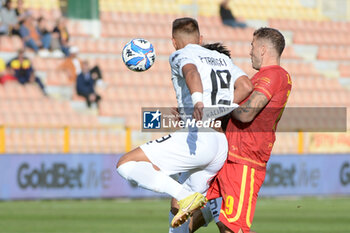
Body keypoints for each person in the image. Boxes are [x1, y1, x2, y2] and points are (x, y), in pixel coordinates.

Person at [116, 17, 252, 228]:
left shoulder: (181, 54)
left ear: (174, 42)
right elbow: (245, 86)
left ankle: (187, 196)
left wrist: (198, 102)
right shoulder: (221, 58)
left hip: (198, 139)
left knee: (126, 164)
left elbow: (191, 72)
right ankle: (193, 201)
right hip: (220, 145)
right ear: (201, 38)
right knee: (177, 210)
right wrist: (213, 112)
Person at [186, 27, 292, 233]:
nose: (249, 51)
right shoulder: (262, 76)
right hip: (229, 155)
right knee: (202, 213)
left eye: (252, 46)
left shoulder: (275, 75)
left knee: (233, 227)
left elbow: (245, 113)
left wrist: (223, 102)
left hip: (245, 160)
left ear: (262, 49)